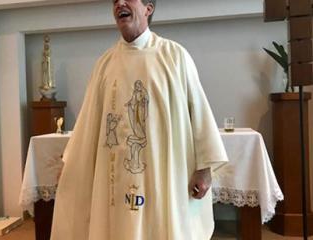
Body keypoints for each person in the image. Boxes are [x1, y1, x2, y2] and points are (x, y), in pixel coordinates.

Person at [51, 0, 228, 239]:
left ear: (149, 8)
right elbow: (87, 121)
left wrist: (204, 170)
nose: (119, 3)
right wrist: (71, 163)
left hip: (161, 171)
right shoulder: (105, 64)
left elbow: (199, 112)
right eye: (114, 1)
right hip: (116, 173)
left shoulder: (174, 56)